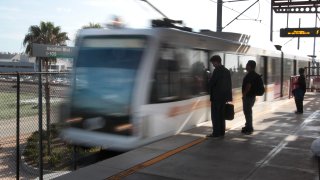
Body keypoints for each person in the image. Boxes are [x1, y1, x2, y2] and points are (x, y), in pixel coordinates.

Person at [207, 55, 232, 138]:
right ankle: (222, 132)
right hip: (224, 98)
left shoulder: (217, 71)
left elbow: (212, 83)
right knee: (221, 115)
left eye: (213, 63)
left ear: (217, 62)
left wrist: (209, 80)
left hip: (216, 98)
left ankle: (216, 133)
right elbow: (229, 85)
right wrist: (228, 97)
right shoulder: (227, 71)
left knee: (215, 116)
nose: (213, 65)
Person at [241, 60, 261, 135]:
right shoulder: (254, 74)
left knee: (247, 112)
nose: (246, 66)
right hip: (252, 96)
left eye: (246, 65)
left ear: (249, 66)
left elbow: (248, 86)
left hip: (248, 96)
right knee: (248, 112)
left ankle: (249, 128)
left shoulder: (250, 75)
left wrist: (244, 94)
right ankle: (248, 126)